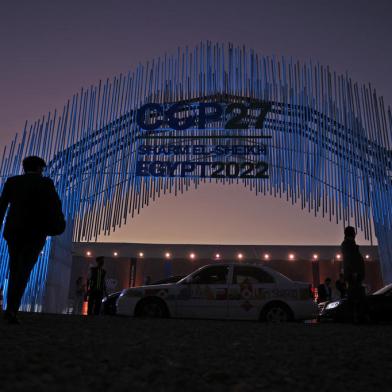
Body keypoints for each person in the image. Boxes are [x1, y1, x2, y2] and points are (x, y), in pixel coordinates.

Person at [0, 156, 64, 324]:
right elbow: (55, 205)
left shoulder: (12, 182)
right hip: (35, 233)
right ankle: (12, 310)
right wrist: (58, 224)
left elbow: (2, 206)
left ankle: (11, 308)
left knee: (15, 268)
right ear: (39, 168)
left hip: (13, 232)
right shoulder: (45, 183)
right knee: (24, 270)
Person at [341, 226, 367, 323]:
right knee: (355, 298)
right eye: (354, 232)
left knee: (356, 297)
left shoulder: (349, 244)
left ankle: (356, 317)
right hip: (354, 275)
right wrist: (354, 272)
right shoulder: (348, 245)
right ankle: (356, 318)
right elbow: (350, 259)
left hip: (354, 274)